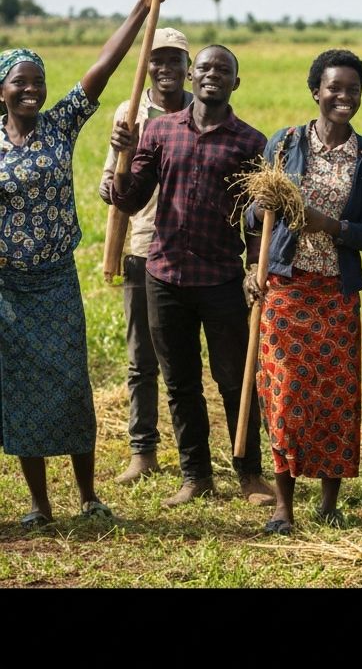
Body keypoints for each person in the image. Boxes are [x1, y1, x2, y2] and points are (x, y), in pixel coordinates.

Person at [0, 0, 170, 528]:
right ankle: (40, 506)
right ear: (0, 89)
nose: (31, 90)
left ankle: (88, 496)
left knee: (72, 387)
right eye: (19, 83)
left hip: (54, 281)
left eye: (38, 82)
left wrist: (141, 10)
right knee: (21, 394)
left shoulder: (58, 127)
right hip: (9, 290)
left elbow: (104, 68)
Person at [110, 44, 275, 509]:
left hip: (221, 278)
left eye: (222, 70)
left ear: (235, 83)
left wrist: (253, 265)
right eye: (204, 68)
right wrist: (119, 172)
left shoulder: (250, 143)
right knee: (180, 382)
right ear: (191, 76)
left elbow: (254, 218)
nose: (211, 75)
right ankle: (196, 475)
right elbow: (132, 195)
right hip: (163, 275)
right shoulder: (160, 131)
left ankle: (249, 475)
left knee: (233, 379)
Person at [245, 49, 362, 535]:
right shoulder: (284, 145)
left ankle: (329, 500)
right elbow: (253, 220)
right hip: (286, 287)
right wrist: (259, 214)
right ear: (316, 91)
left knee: (335, 398)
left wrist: (329, 224)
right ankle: (283, 505)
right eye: (334, 88)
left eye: (352, 89)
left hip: (337, 292)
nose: (343, 97)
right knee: (284, 394)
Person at [99, 26, 192, 484]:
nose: (165, 68)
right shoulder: (131, 110)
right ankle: (143, 451)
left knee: (185, 361)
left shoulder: (201, 109)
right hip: (143, 245)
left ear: (187, 67)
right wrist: (113, 173)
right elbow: (110, 182)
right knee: (141, 359)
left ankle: (193, 456)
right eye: (157, 59)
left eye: (174, 59)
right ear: (148, 66)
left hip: (191, 251)